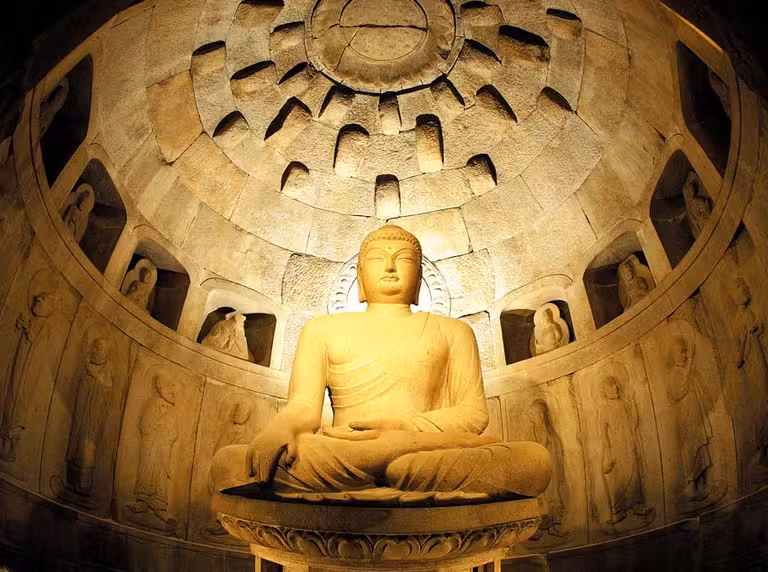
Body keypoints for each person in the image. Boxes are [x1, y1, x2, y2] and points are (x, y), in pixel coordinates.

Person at [211, 225, 551, 502]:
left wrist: (396, 427)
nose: (389, 267)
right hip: (343, 451)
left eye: (402, 259)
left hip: (419, 455)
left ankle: (391, 457)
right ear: (360, 276)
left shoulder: (454, 331)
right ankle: (392, 461)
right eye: (377, 259)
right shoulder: (322, 329)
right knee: (231, 464)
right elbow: (304, 407)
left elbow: (473, 415)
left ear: (418, 277)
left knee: (533, 462)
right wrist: (278, 431)